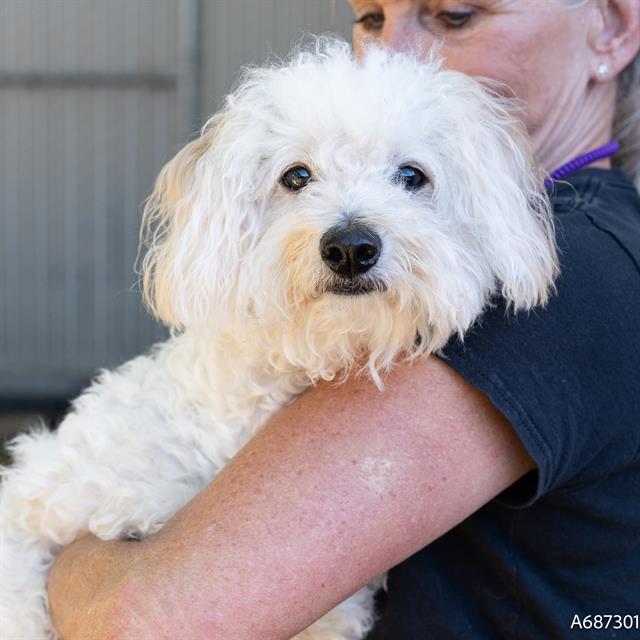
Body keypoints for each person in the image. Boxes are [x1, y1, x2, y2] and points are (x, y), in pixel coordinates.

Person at [47, 1, 640, 638]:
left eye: (456, 15)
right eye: (371, 19)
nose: (391, 55)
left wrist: (61, 561)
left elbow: (141, 619)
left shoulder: (560, 276)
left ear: (611, 24)